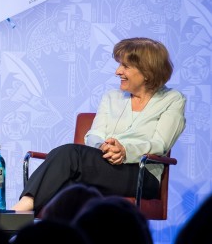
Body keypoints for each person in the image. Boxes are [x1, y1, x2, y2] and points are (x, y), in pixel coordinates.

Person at [13, 37, 186, 213]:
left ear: (147, 72)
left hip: (142, 174)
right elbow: (94, 134)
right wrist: (104, 147)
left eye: (125, 66)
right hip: (105, 166)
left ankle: (17, 213)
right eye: (119, 65)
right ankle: (20, 225)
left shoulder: (172, 99)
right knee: (67, 184)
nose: (117, 71)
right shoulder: (112, 97)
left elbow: (161, 143)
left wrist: (125, 151)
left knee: (69, 153)